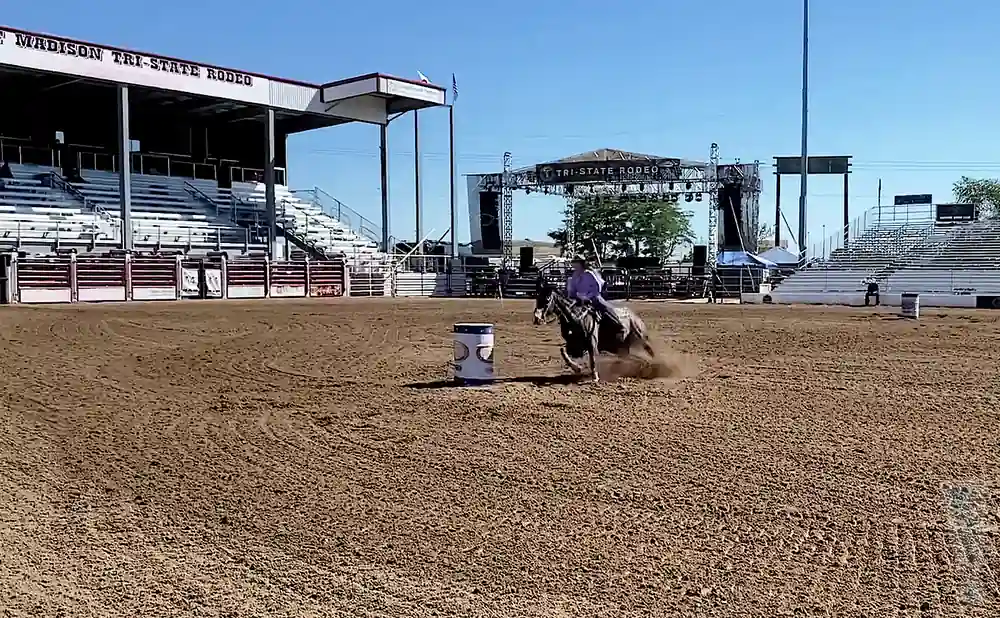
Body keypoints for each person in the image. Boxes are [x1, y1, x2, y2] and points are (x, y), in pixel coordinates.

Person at [566, 255, 624, 341]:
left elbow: (597, 288)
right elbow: (573, 290)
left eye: (575, 262)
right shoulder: (574, 275)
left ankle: (619, 325)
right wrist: (573, 295)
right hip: (579, 299)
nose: (573, 264)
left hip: (593, 297)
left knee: (604, 307)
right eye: (573, 262)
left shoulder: (589, 274)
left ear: (581, 264)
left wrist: (587, 296)